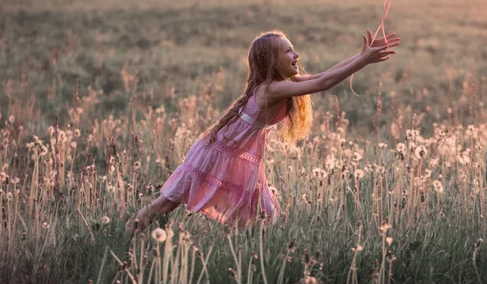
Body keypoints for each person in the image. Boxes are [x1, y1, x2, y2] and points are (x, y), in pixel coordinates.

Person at [126, 29, 400, 233]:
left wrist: (361, 56)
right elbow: (326, 82)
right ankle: (129, 235)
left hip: (235, 155)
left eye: (294, 49)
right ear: (271, 60)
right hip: (215, 154)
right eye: (288, 51)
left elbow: (322, 76)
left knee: (264, 215)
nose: (296, 55)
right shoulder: (271, 89)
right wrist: (363, 60)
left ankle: (248, 261)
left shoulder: (281, 83)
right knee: (166, 204)